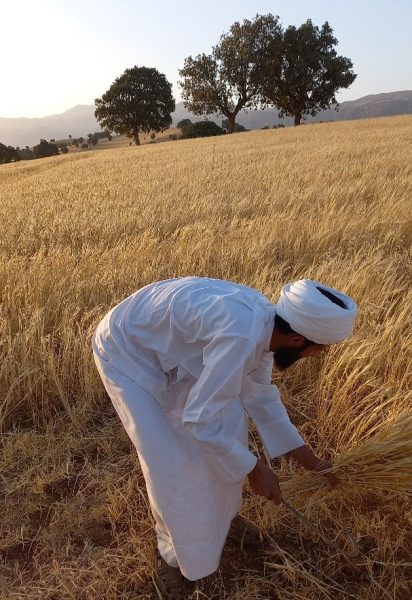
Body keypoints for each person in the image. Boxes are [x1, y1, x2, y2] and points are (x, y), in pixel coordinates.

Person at [92, 276, 357, 598]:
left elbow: (259, 394)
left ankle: (222, 519)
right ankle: (170, 554)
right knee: (171, 460)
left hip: (173, 349)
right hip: (129, 354)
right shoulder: (240, 335)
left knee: (229, 423)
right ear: (298, 340)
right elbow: (199, 421)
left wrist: (307, 457)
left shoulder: (266, 328)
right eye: (320, 349)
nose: (318, 356)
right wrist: (254, 470)